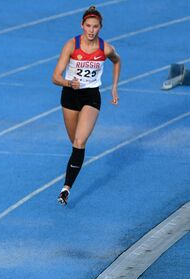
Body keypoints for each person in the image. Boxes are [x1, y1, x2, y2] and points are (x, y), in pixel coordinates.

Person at [52, 5, 121, 205]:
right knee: (75, 141)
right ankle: (74, 168)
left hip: (91, 96)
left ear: (100, 28)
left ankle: (66, 188)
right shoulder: (71, 45)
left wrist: (114, 87)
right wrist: (67, 82)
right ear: (82, 25)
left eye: (95, 27)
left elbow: (117, 62)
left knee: (80, 141)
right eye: (88, 26)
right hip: (70, 95)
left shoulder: (105, 48)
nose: (91, 30)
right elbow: (55, 77)